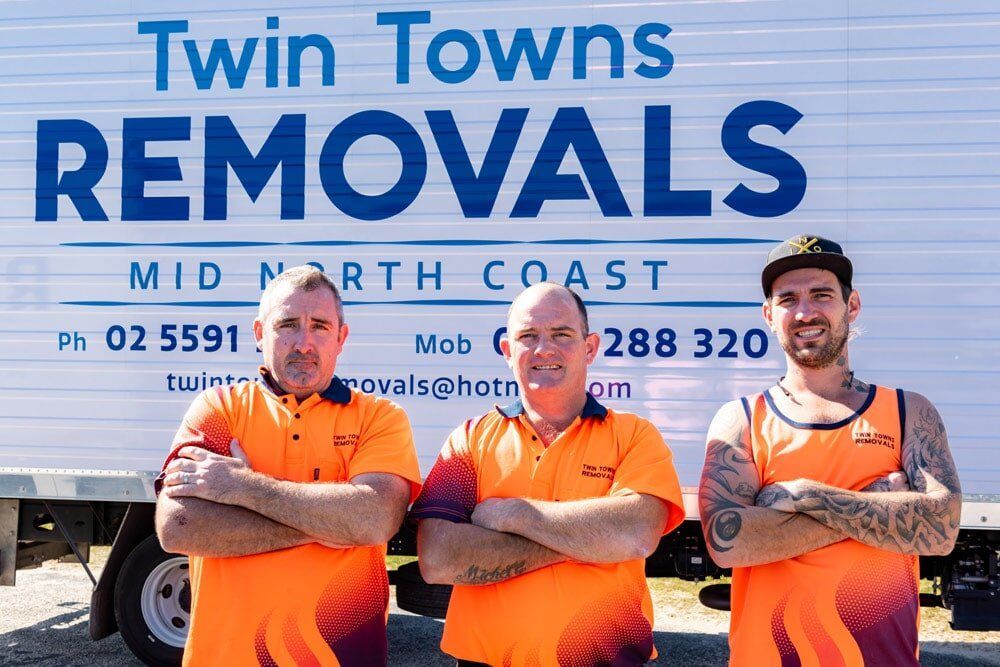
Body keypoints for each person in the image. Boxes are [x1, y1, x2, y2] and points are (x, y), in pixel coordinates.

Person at [698, 235, 962, 665]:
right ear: (768, 315)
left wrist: (802, 496)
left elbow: (941, 528)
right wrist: (879, 501)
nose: (805, 312)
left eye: (821, 295)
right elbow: (729, 543)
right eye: (788, 299)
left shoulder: (908, 411)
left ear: (851, 305)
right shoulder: (742, 418)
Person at [154, 265, 422, 666]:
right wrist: (331, 524)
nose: (304, 343)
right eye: (288, 325)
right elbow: (177, 528)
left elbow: (374, 520)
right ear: (260, 333)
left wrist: (241, 488)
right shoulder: (218, 409)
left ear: (341, 338)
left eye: (319, 326)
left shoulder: (380, 417)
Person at [410, 282, 685, 666]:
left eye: (561, 334)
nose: (544, 349)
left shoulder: (634, 435)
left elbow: (636, 533)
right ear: (508, 352)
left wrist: (512, 515)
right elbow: (438, 558)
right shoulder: (470, 439)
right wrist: (590, 544)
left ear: (590, 348)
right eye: (528, 336)